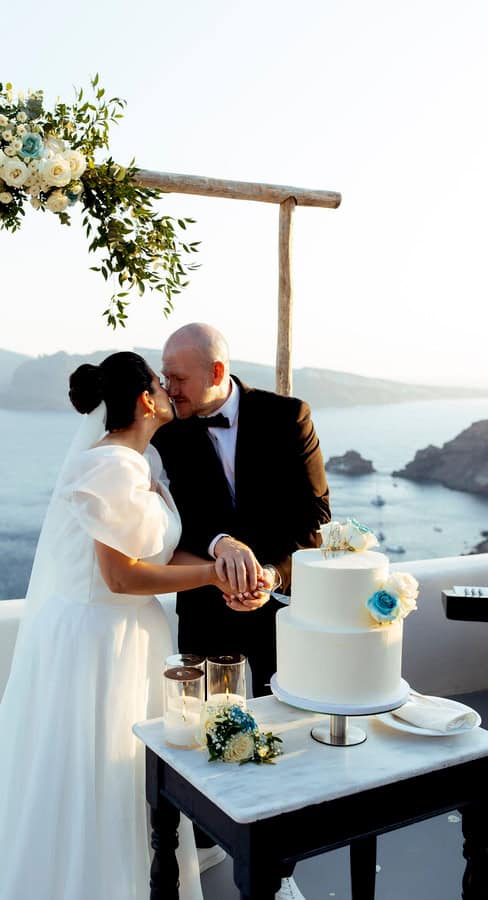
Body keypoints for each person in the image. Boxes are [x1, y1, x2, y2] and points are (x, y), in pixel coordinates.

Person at [0, 351, 262, 900]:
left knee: (129, 773)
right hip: (97, 640)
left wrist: (225, 574)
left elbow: (159, 552)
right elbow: (118, 576)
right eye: (160, 383)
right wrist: (211, 576)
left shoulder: (145, 462)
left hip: (134, 636)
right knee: (87, 770)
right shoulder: (107, 466)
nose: (168, 390)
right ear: (144, 399)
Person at [152, 324, 331, 900]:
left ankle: (278, 872)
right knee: (212, 745)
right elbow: (173, 523)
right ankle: (211, 850)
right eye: (164, 374)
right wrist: (222, 545)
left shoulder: (289, 416)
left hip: (279, 614)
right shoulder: (165, 433)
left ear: (217, 374)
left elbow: (316, 517)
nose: (167, 387)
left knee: (282, 741)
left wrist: (272, 575)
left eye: (177, 377)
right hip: (204, 613)